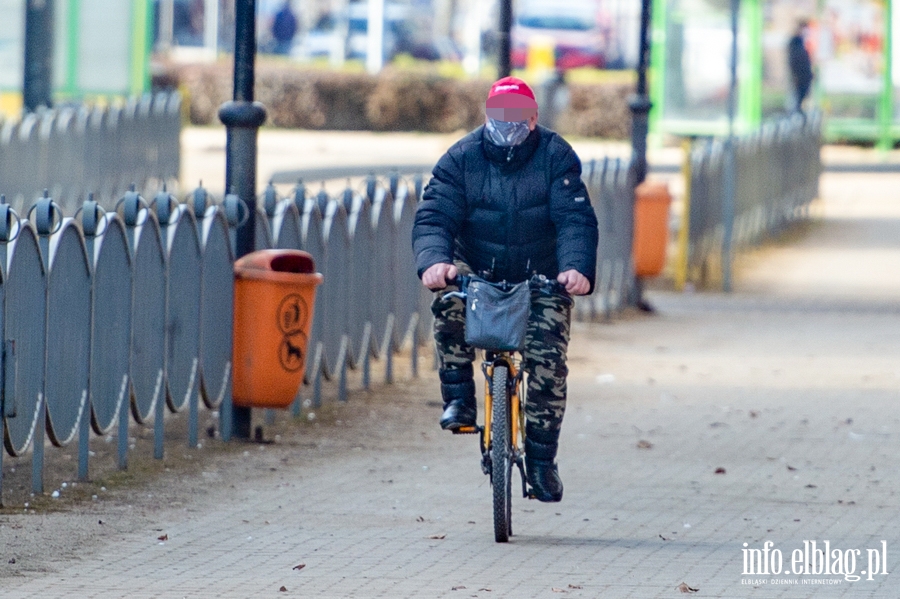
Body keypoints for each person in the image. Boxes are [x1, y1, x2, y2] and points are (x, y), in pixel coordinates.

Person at [412, 76, 599, 503]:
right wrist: (434, 262)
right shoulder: (461, 158)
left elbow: (575, 219)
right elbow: (434, 217)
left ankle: (540, 462)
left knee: (548, 364)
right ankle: (458, 399)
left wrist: (575, 269)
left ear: (534, 118)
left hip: (541, 276)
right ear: (486, 116)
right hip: (476, 269)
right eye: (500, 116)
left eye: (518, 117)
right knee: (450, 306)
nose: (508, 124)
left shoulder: (556, 156)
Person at [787, 21, 813, 113]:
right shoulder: (796, 43)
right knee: (797, 101)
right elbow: (795, 61)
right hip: (800, 77)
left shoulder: (802, 42)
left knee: (801, 100)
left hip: (804, 77)